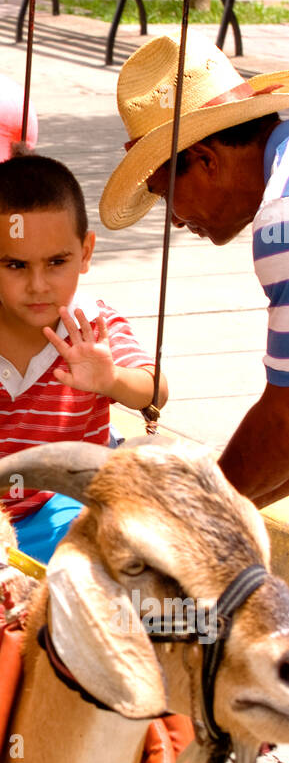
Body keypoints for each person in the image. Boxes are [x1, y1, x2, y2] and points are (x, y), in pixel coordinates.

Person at [0, 151, 168, 564]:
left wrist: (110, 379)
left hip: (66, 513)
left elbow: (154, 391)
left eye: (57, 262)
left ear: (86, 252)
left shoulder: (96, 327)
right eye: (16, 265)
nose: (38, 284)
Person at [99, 33, 289, 509]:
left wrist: (190, 516)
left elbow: (286, 419)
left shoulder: (282, 222)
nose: (177, 220)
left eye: (166, 197)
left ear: (206, 162)